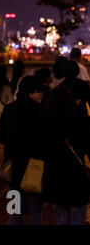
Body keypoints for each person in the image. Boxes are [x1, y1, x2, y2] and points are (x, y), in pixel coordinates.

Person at [0, 76, 46, 225]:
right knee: (35, 212)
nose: (42, 95)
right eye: (39, 91)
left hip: (13, 168)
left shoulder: (10, 109)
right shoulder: (40, 111)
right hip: (35, 168)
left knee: (15, 212)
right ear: (31, 92)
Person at [42, 86, 90, 225]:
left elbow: (41, 150)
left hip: (54, 177)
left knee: (61, 217)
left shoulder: (45, 124)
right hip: (76, 178)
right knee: (77, 218)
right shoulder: (80, 123)